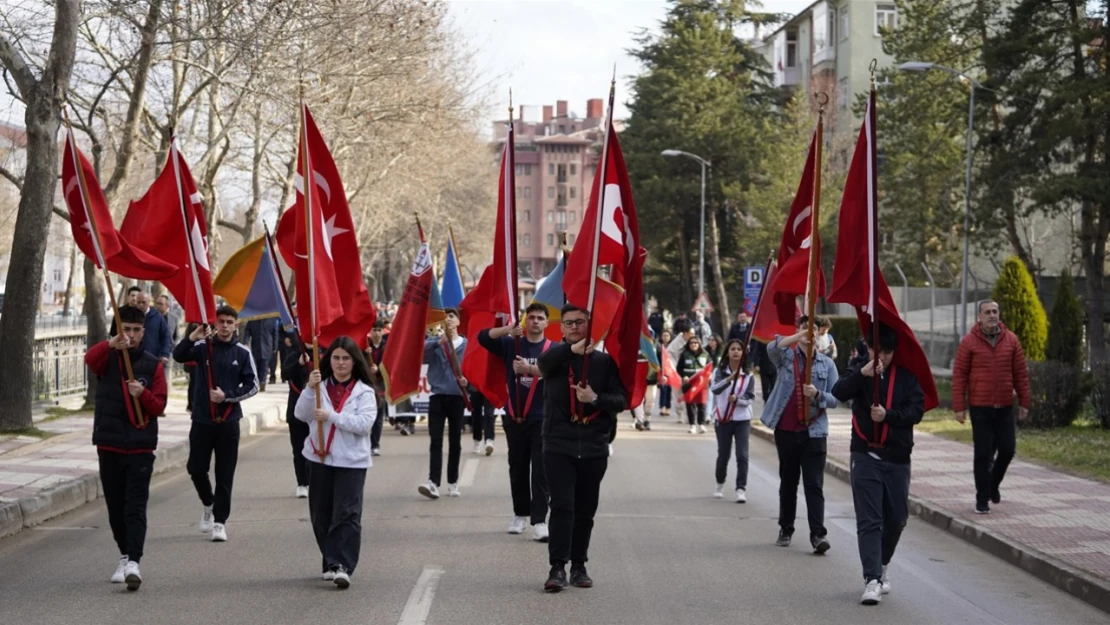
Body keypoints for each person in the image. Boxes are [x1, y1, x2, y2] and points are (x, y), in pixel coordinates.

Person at [832, 324, 925, 605]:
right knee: (869, 520)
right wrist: (862, 374)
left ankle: (882, 564)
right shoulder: (859, 371)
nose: (881, 356)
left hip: (896, 458)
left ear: (894, 351)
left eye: (886, 351)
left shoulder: (907, 378)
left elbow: (916, 410)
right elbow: (838, 392)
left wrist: (889, 415)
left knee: (896, 519)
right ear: (868, 348)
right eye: (876, 349)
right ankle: (871, 579)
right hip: (865, 456)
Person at [538, 304, 628, 592]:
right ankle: (557, 567)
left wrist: (596, 398)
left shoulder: (603, 362)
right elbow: (543, 365)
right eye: (569, 323)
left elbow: (621, 401)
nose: (575, 327)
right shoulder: (555, 358)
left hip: (592, 446)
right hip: (558, 444)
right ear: (561, 328)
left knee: (585, 510)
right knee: (562, 506)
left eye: (580, 322)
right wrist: (570, 351)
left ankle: (579, 565)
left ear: (589, 325)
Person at [87, 305, 168, 591]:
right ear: (118, 330)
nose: (131, 336)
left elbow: (159, 405)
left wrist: (143, 393)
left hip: (140, 446)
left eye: (136, 330)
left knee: (135, 506)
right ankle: (123, 554)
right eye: (126, 330)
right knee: (115, 507)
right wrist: (109, 344)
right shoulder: (107, 358)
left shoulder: (152, 364)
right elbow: (89, 359)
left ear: (144, 332)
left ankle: (134, 561)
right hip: (109, 443)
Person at [295, 336, 377, 589]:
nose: (341, 363)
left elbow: (364, 425)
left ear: (354, 362)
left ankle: (342, 564)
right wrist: (309, 388)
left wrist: (333, 416)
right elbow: (301, 414)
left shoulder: (365, 392)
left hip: (352, 462)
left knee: (347, 514)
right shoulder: (318, 388)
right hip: (319, 457)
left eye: (346, 358)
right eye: (336, 358)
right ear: (328, 360)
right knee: (321, 514)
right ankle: (330, 559)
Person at [173, 305, 259, 542]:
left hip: (229, 421)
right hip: (202, 419)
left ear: (236, 325)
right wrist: (193, 336)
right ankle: (208, 503)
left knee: (225, 473)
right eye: (220, 321)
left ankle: (220, 521)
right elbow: (178, 355)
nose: (224, 326)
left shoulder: (242, 352)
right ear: (215, 323)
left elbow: (253, 385)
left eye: (229, 322)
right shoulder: (203, 348)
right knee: (196, 468)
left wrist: (227, 395)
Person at [760, 316, 839, 554]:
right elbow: (771, 347)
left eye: (813, 329)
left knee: (814, 484)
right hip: (786, 430)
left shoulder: (827, 364)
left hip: (814, 432)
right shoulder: (786, 358)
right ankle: (786, 527)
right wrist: (797, 337)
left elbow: (837, 398)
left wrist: (817, 395)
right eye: (805, 328)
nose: (809, 333)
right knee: (788, 481)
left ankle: (818, 534)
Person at [477, 302, 553, 542]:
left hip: (542, 419)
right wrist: (506, 330)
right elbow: (482, 338)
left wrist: (529, 368)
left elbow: (559, 371)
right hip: (515, 417)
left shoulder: (553, 349)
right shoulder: (513, 344)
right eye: (531, 317)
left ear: (547, 323)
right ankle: (520, 514)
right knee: (518, 468)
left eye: (540, 318)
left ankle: (540, 520)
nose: (535, 322)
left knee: (541, 471)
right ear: (524, 321)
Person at [951, 299, 1031, 514]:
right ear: (979, 317)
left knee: (1007, 450)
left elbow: (1020, 374)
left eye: (995, 311)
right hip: (980, 407)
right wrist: (959, 407)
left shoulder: (1011, 340)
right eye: (987, 312)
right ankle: (982, 498)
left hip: (1005, 407)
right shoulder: (969, 342)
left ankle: (992, 484)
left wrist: (1024, 402)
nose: (992, 315)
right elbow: (959, 375)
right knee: (983, 454)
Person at [417, 309, 468, 499]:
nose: (448, 319)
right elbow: (420, 353)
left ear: (458, 322)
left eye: (452, 317)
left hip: (457, 397)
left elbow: (472, 368)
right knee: (435, 440)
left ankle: (453, 481)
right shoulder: (434, 343)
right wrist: (439, 342)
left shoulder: (466, 345)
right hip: (437, 396)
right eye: (445, 317)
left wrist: (467, 381)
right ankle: (433, 482)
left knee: (455, 441)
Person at [710, 339, 755, 503]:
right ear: (727, 353)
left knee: (742, 454)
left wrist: (737, 399)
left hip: (742, 419)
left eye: (739, 349)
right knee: (723, 455)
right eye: (733, 349)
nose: (736, 352)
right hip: (723, 419)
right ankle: (719, 483)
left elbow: (750, 398)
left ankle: (741, 488)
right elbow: (714, 389)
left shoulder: (748, 375)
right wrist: (729, 379)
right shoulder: (719, 372)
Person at [283, 343, 311, 498]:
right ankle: (302, 483)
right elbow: (285, 374)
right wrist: (299, 363)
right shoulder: (294, 354)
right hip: (296, 411)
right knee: (299, 450)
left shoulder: (324, 353)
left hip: (318, 412)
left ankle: (316, 480)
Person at [677, 336, 712, 434]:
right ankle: (692, 425)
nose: (693, 344)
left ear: (699, 344)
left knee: (702, 404)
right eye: (691, 343)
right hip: (688, 383)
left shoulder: (705, 354)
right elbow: (679, 368)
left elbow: (710, 367)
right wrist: (683, 376)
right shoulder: (684, 354)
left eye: (696, 343)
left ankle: (701, 424)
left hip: (701, 383)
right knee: (690, 404)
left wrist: (709, 376)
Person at [365, 320, 388, 456]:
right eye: (374, 330)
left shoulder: (387, 346)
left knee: (378, 415)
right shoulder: (365, 346)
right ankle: (365, 443)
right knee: (366, 414)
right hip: (366, 384)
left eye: (379, 330)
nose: (377, 333)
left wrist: (378, 369)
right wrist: (364, 354)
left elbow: (389, 365)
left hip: (380, 384)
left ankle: (375, 444)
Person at [242, 317, 280, 393]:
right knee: (257, 365)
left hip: (268, 346)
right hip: (256, 346)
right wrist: (246, 342)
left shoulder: (271, 320)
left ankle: (262, 382)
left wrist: (275, 347)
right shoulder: (252, 320)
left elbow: (275, 334)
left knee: (265, 365)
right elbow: (247, 332)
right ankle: (258, 380)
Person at [136, 291, 172, 368]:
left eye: (143, 302)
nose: (141, 305)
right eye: (138, 302)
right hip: (135, 358)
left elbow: (166, 336)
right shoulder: (132, 316)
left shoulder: (158, 317)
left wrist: (165, 354)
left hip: (153, 358)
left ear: (149, 302)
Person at [667, 327, 693, 424]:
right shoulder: (676, 342)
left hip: (688, 372)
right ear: (685, 333)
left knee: (688, 394)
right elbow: (668, 355)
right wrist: (673, 368)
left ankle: (689, 415)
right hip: (676, 371)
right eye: (691, 333)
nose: (692, 336)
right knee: (677, 394)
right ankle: (679, 415)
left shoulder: (693, 342)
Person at [469, 390, 497, 456]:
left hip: (489, 387)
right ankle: (477, 440)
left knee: (489, 414)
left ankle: (489, 440)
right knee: (476, 414)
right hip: (476, 386)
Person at [656, 329, 673, 419]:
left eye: (667, 335)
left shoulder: (672, 346)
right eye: (664, 335)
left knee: (669, 390)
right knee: (663, 389)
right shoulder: (659, 346)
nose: (665, 337)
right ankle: (662, 407)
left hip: (670, 370)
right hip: (661, 370)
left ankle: (668, 407)